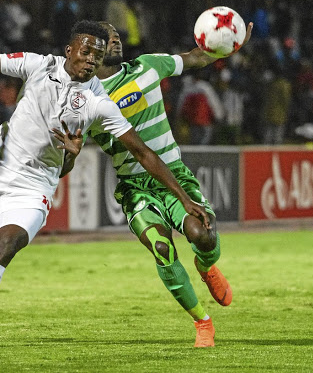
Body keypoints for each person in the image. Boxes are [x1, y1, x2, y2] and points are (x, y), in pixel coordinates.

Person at [0, 20, 210, 348]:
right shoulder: (39, 65)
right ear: (69, 51)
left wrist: (182, 198)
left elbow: (142, 152)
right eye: (86, 52)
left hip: (35, 184)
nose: (91, 60)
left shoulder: (99, 103)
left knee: (7, 246)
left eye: (97, 57)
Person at [91, 21, 253, 347]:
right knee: (162, 249)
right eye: (106, 36)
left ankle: (206, 267)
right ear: (89, 47)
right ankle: (202, 323)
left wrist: (229, 42)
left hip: (173, 174)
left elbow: (195, 57)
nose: (115, 38)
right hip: (135, 189)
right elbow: (69, 154)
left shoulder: (149, 65)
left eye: (116, 34)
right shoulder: (81, 98)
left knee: (203, 236)